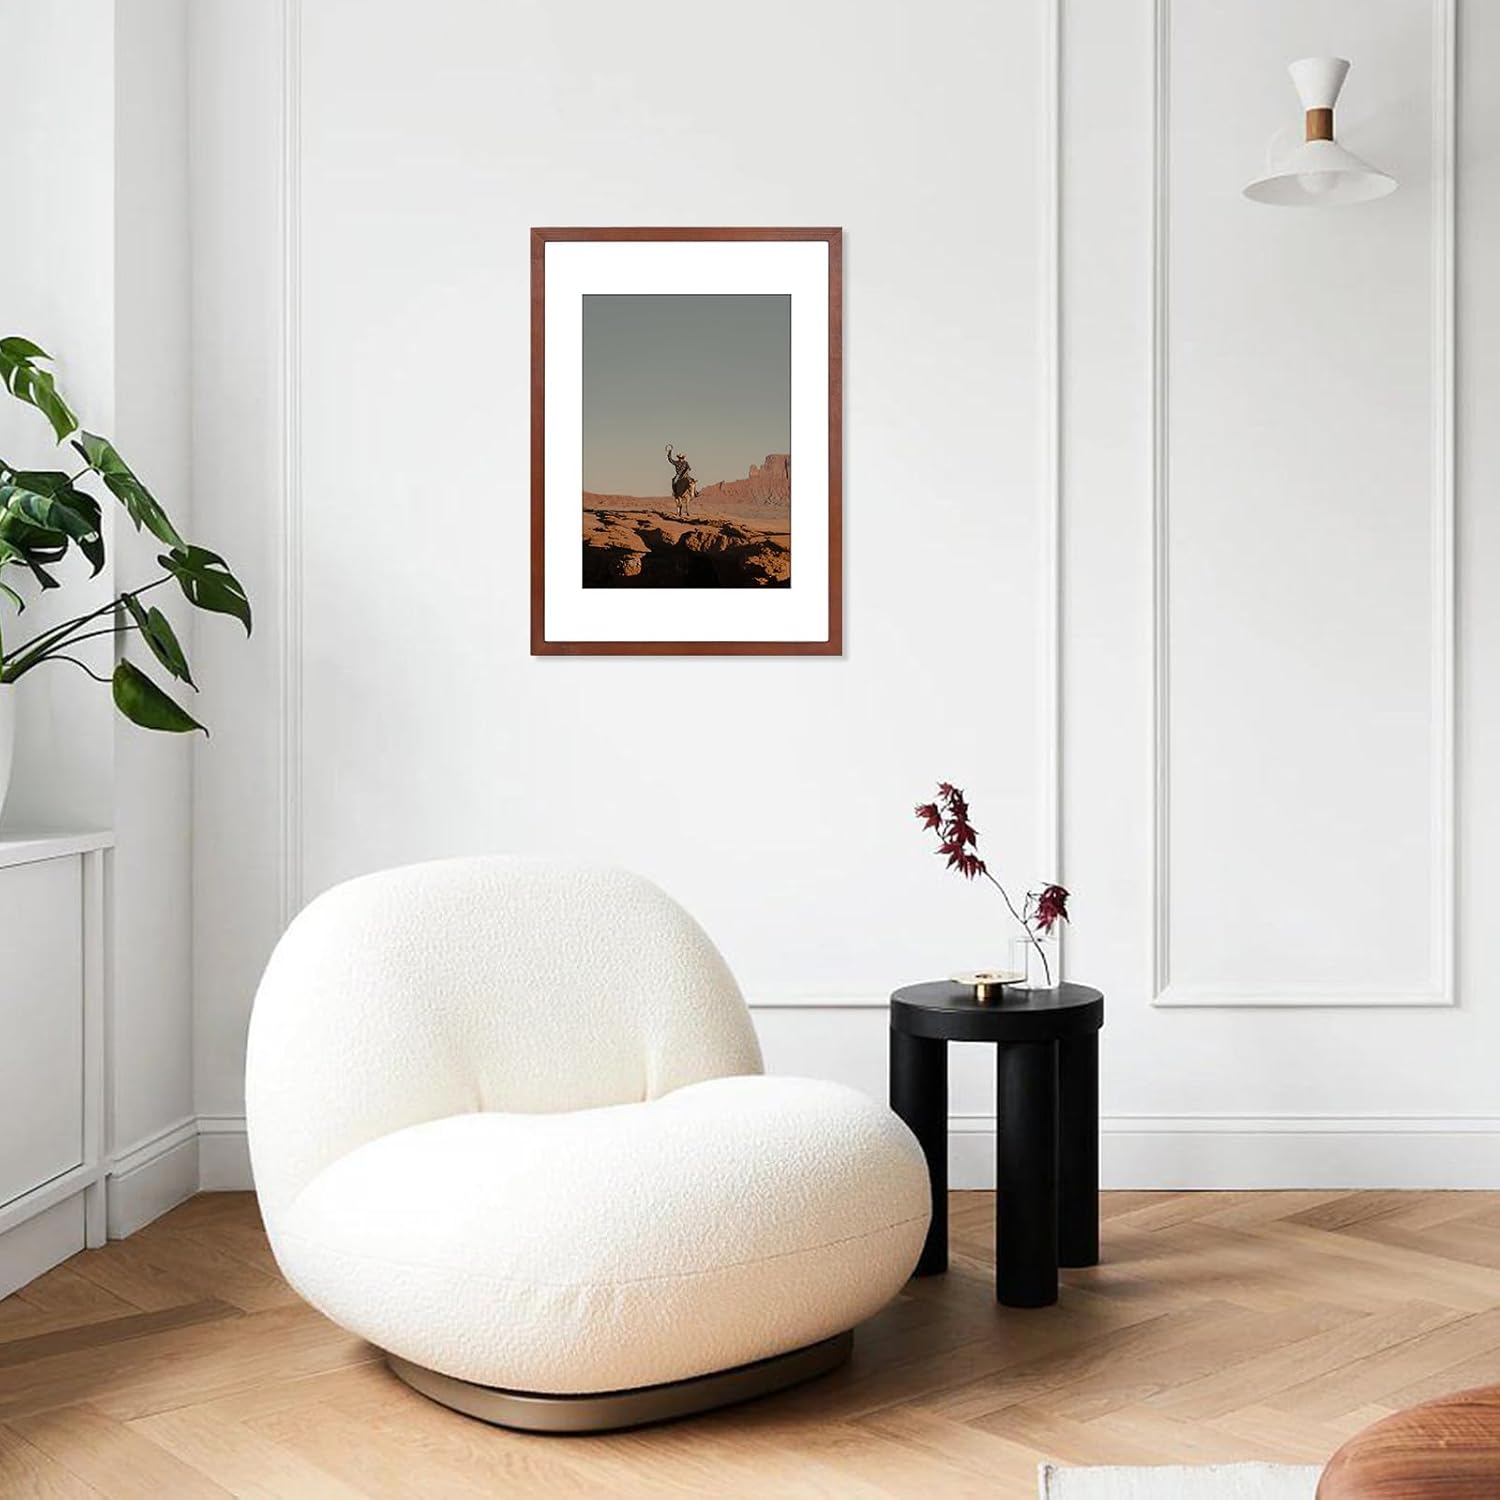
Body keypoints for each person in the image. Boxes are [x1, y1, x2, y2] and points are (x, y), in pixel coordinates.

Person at [665, 444, 697, 519]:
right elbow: (670, 460)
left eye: (682, 458)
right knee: (674, 480)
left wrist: (687, 470)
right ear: (678, 458)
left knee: (693, 482)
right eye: (680, 458)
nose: (681, 459)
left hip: (686, 475)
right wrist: (669, 453)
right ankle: (675, 491)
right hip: (679, 475)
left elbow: (689, 468)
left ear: (683, 458)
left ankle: (695, 492)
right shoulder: (676, 462)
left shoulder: (686, 463)